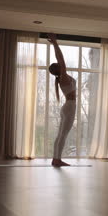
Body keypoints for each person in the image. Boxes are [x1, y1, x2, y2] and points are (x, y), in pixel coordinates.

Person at [48, 33, 77, 167]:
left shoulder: (61, 79)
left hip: (66, 106)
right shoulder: (63, 76)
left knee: (60, 134)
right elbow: (61, 58)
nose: (62, 65)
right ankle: (57, 160)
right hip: (69, 106)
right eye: (59, 65)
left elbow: (60, 61)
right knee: (63, 135)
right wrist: (55, 43)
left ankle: (56, 159)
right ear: (58, 69)